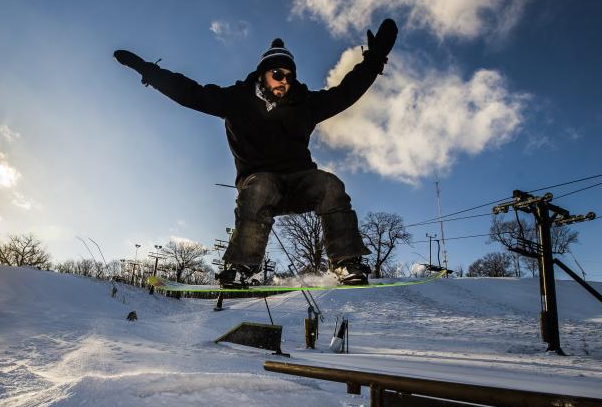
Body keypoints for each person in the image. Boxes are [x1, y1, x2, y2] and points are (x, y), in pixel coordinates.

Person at [114, 18, 398, 288]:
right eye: (277, 75)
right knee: (260, 187)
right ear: (263, 74)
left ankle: (345, 261)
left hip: (299, 182)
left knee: (330, 185)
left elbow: (345, 93)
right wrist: (148, 71)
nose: (284, 82)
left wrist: (374, 60)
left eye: (289, 76)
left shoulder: (305, 104)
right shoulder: (236, 100)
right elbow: (191, 93)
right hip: (259, 182)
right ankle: (242, 266)